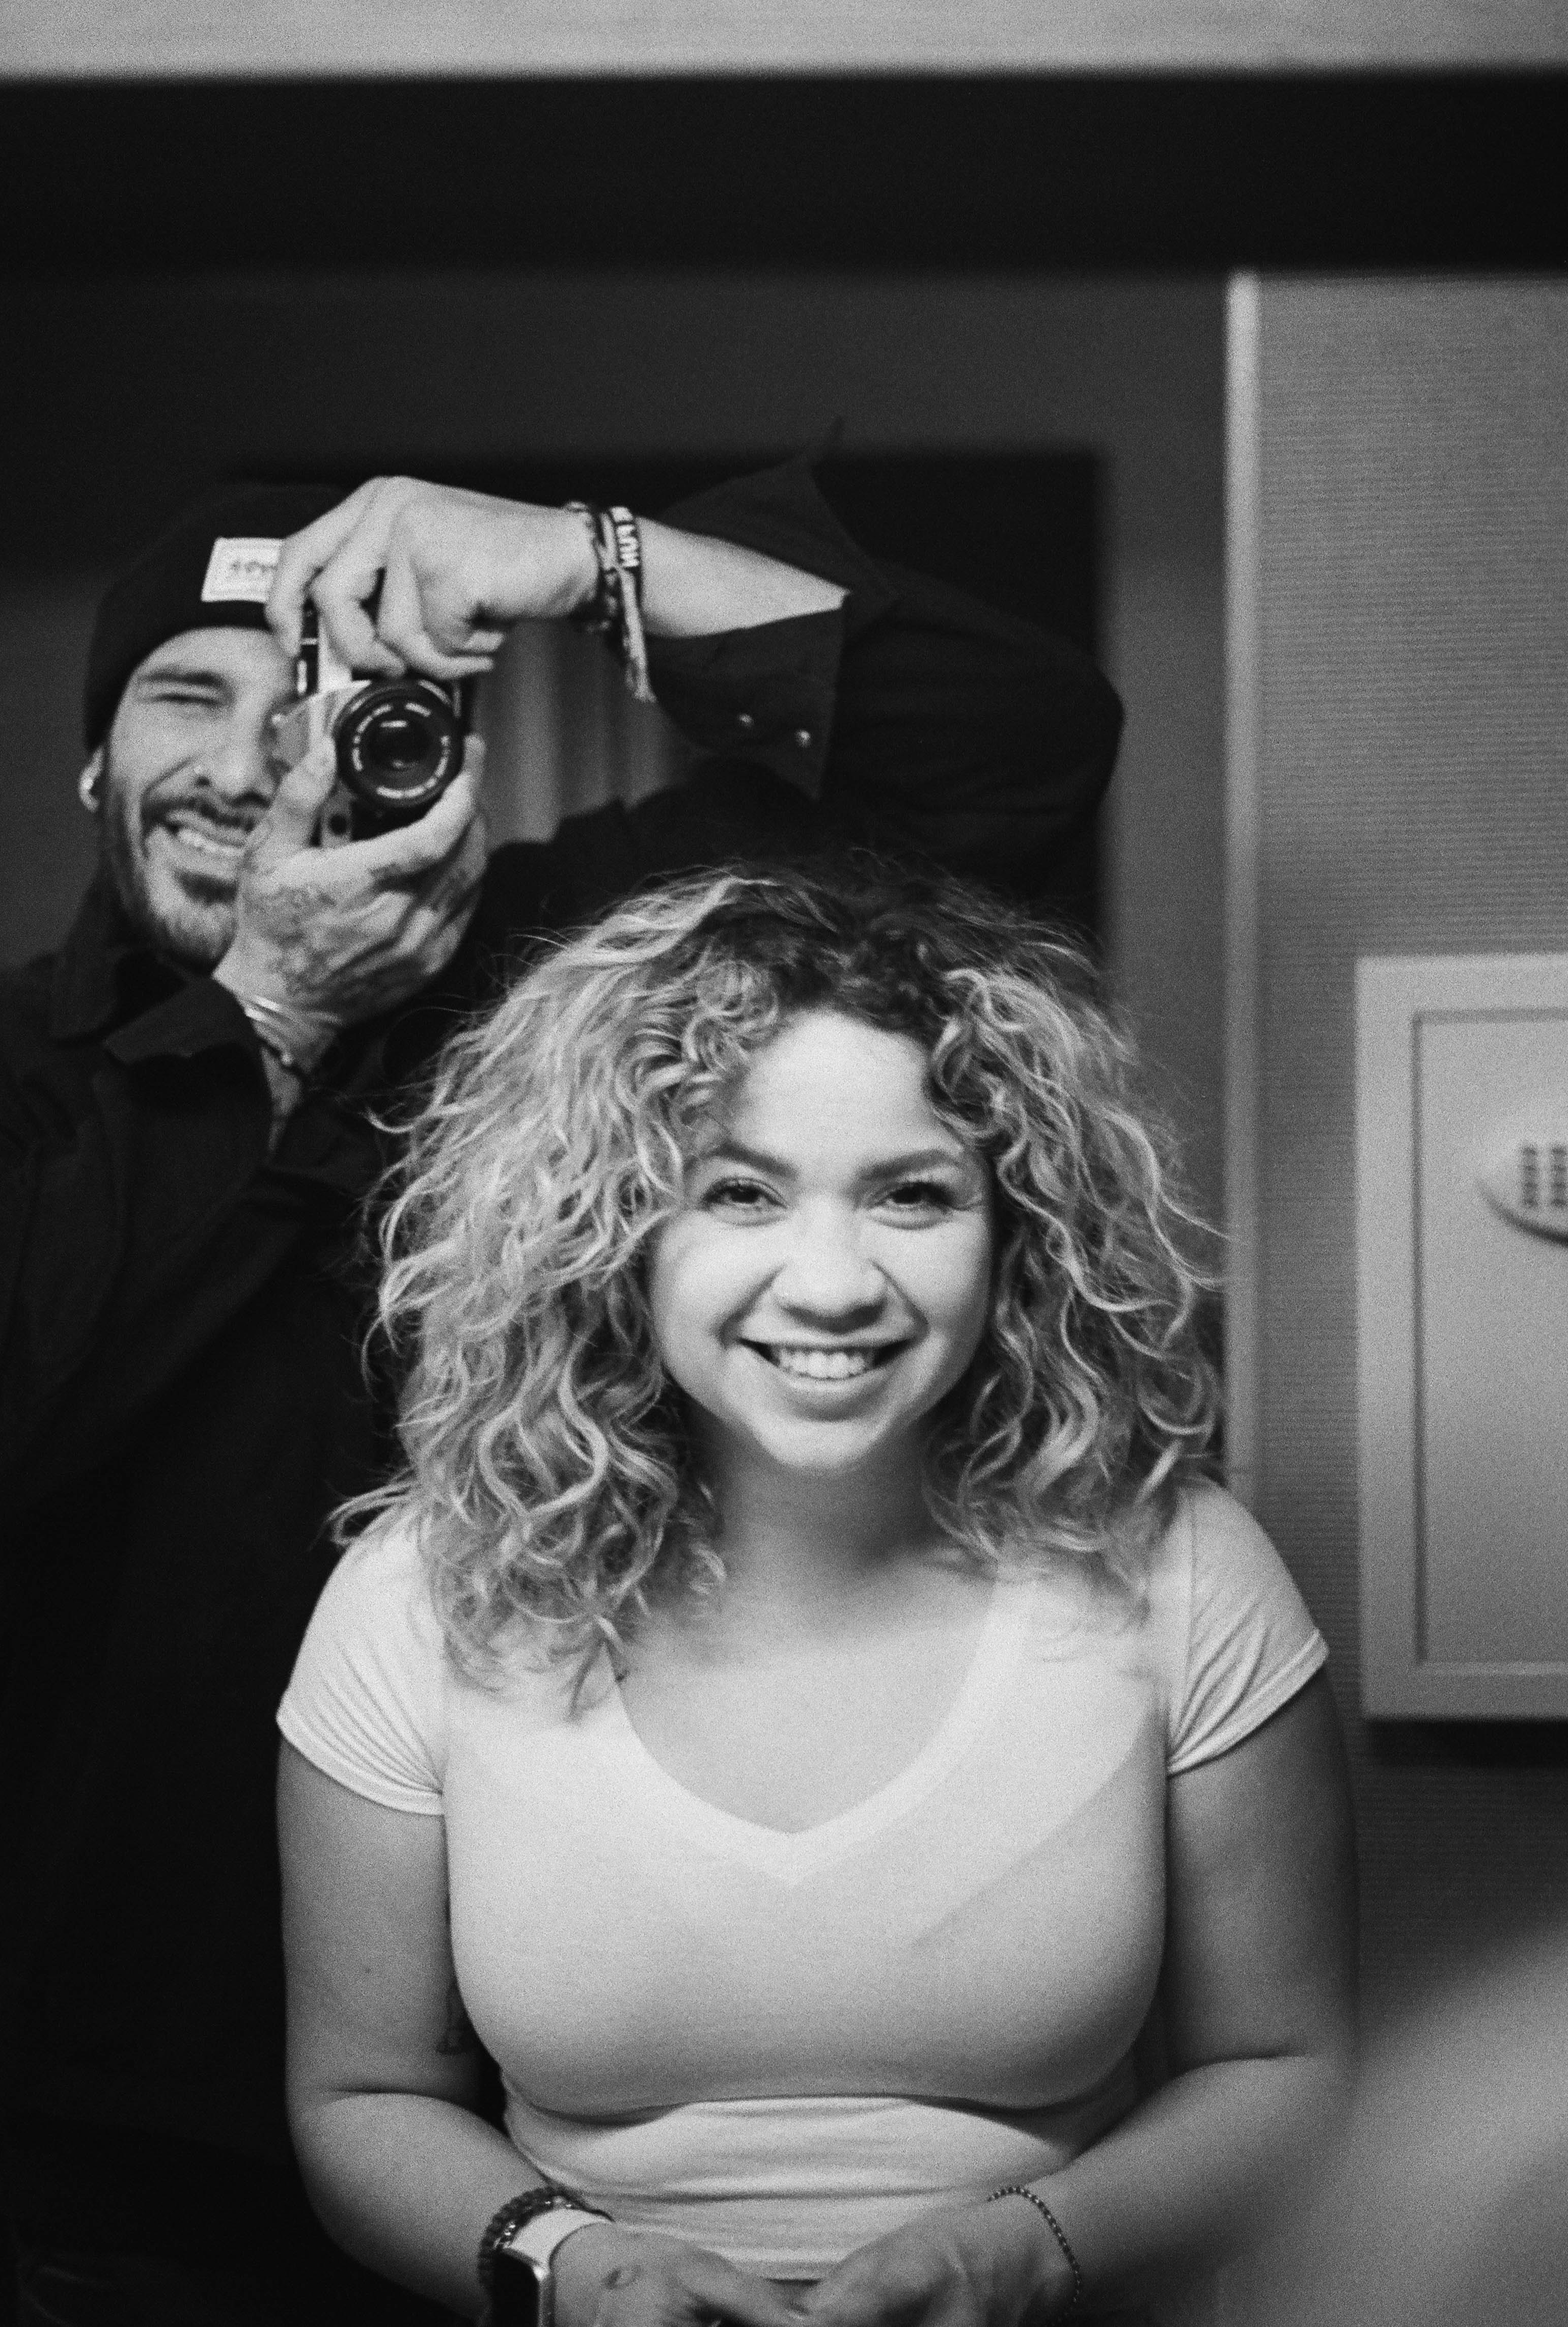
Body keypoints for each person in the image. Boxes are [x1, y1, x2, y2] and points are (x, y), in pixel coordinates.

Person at [0, 462, 1121, 2321]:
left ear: (423, 744)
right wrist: (269, 1019)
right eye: (188, 696)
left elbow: (1022, 752)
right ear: (90, 771)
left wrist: (581, 555)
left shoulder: (583, 964)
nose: (256, 759)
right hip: (153, 2116)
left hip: (610, 2103)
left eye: (318, 692)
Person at [278, 861, 1358, 2327]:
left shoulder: (1183, 1567)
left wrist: (1021, 2254)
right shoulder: (420, 1594)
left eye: (914, 1195)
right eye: (741, 1193)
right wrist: (573, 2269)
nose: (834, 1282)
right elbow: (360, 2098)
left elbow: (1285, 2073)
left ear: (1017, 1232)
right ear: (612, 1230)